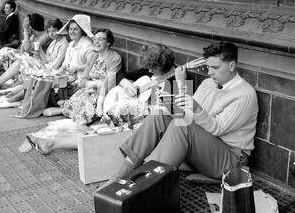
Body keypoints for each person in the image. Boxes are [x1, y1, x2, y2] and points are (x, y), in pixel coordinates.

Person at [103, 41, 259, 184]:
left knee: (182, 127)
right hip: (204, 149)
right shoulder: (208, 83)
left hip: (231, 160)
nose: (209, 72)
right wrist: (172, 100)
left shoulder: (245, 94)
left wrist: (196, 108)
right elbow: (186, 113)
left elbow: (217, 128)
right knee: (159, 115)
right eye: (208, 67)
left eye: (215, 67)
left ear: (232, 66)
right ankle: (124, 171)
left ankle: (146, 183)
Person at [22, 28, 122, 154]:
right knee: (78, 101)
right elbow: (83, 81)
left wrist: (97, 87)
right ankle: (65, 110)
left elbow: (110, 84)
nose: (96, 42)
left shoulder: (114, 58)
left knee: (83, 111)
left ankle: (68, 116)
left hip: (103, 93)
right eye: (94, 39)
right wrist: (94, 83)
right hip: (89, 89)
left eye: (100, 39)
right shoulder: (94, 56)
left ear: (108, 42)